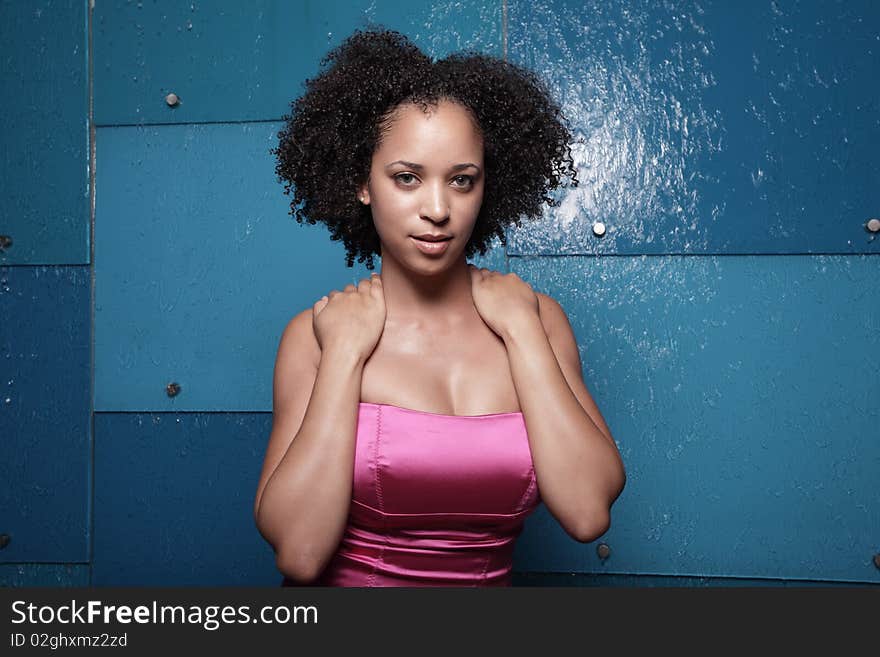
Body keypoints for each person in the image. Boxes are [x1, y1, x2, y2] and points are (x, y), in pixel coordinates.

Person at [253, 27, 626, 586]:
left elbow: (587, 512)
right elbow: (301, 555)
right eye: (407, 178)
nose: (437, 209)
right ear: (362, 183)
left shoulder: (537, 319)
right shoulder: (316, 335)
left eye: (461, 181)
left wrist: (523, 330)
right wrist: (344, 357)